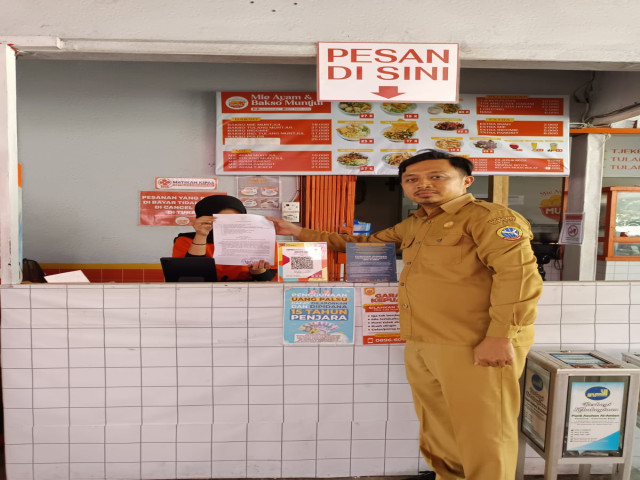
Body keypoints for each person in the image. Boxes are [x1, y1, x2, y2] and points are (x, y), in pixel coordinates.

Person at [269, 149, 543, 480]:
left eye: (436, 176)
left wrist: (500, 335)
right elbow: (366, 243)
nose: (423, 184)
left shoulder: (490, 219)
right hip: (423, 341)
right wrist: (298, 232)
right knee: (439, 428)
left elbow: (518, 277)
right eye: (412, 179)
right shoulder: (416, 223)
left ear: (466, 181)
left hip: (475, 342)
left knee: (484, 430)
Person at [173, 194, 275, 281]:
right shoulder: (186, 240)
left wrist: (258, 270)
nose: (230, 224)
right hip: (203, 291)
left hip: (246, 291)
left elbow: (270, 279)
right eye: (222, 220)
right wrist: (201, 235)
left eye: (237, 219)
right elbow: (189, 275)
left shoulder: (259, 241)